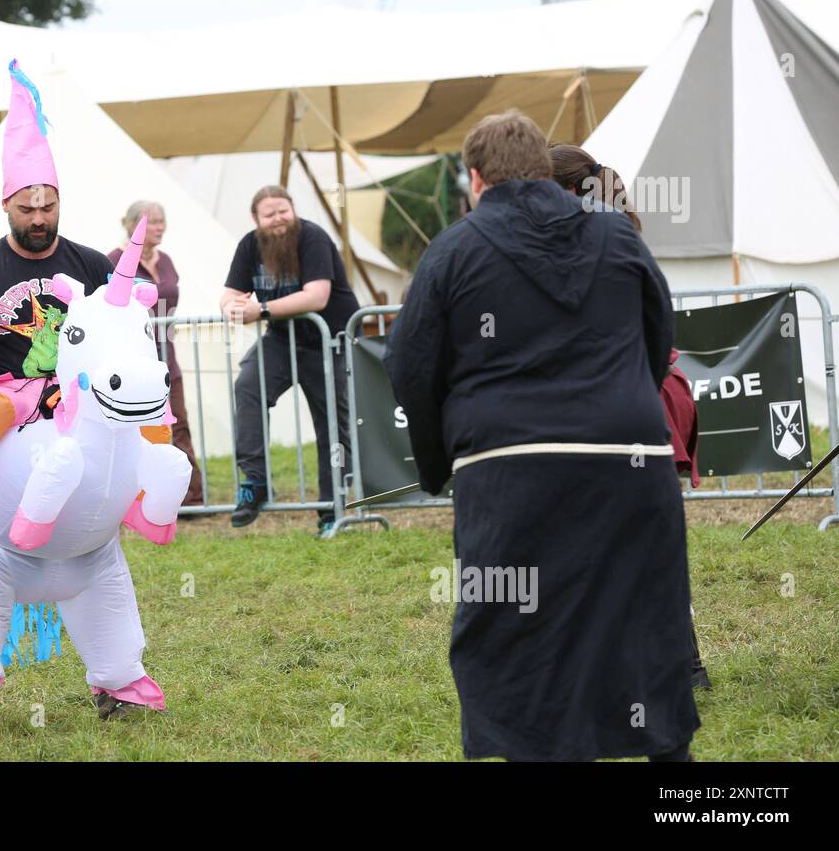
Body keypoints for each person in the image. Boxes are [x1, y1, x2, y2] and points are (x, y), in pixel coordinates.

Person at [384, 110, 700, 761]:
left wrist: (442, 461)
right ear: (541, 168)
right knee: (643, 612)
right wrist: (622, 406)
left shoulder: (454, 248)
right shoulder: (617, 237)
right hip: (629, 459)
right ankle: (669, 760)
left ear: (475, 178)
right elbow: (658, 339)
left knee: (508, 625)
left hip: (511, 466)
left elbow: (410, 366)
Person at [0, 60, 133, 549]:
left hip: (77, 395)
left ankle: (145, 504)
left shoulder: (93, 264)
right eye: (27, 208)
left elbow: (119, 342)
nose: (39, 219)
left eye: (48, 207)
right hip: (4, 393)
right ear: (5, 205)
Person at [550, 142, 711, 690]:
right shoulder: (610, 234)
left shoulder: (591, 244)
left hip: (641, 399)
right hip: (644, 395)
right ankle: (672, 667)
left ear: (568, 190)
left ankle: (676, 667)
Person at [220, 186, 359, 535]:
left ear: (293, 210)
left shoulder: (312, 237)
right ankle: (255, 481)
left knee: (332, 424)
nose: (279, 219)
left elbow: (317, 296)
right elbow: (230, 294)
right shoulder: (250, 245)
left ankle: (334, 509)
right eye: (270, 214)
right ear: (257, 220)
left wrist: (261, 309)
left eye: (284, 210)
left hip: (329, 339)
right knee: (248, 387)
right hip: (282, 338)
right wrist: (231, 308)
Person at [107, 200, 204, 508]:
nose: (160, 228)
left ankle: (191, 497)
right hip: (134, 360)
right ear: (135, 225)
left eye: (163, 221)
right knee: (140, 433)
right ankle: (140, 500)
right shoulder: (114, 260)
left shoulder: (168, 261)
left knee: (180, 425)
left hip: (167, 355)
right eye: (153, 222)